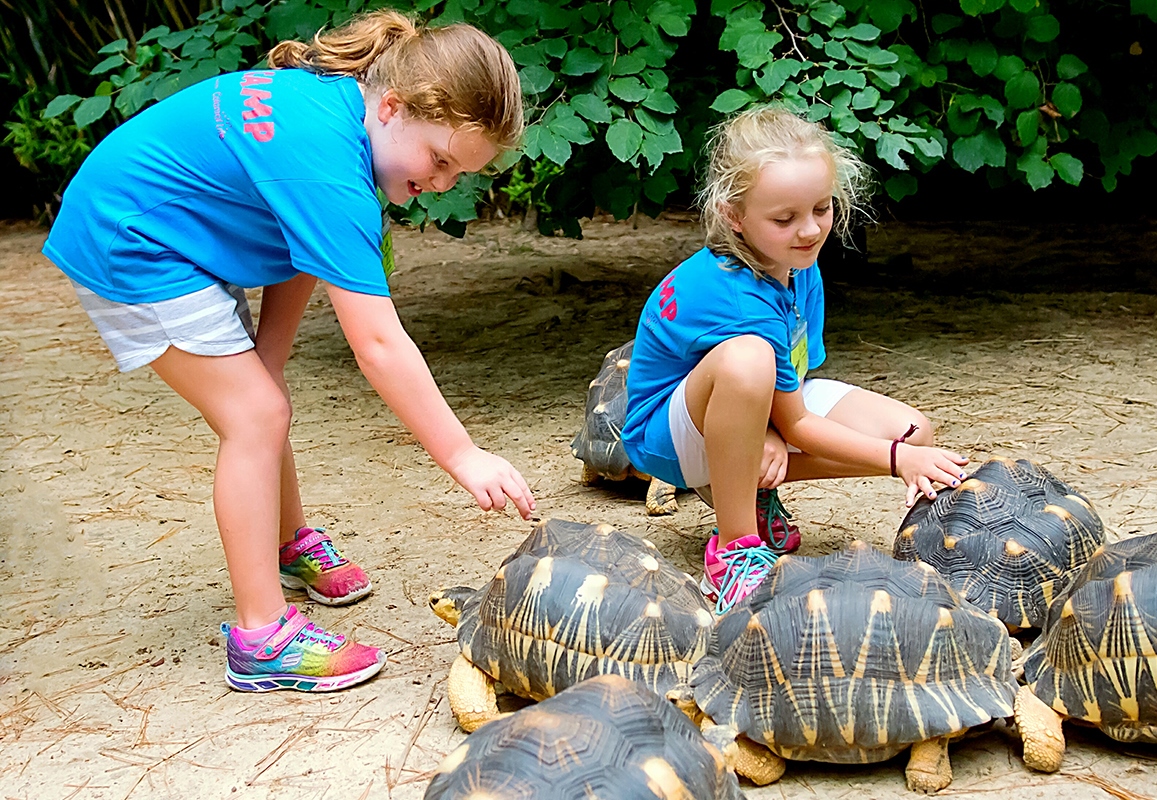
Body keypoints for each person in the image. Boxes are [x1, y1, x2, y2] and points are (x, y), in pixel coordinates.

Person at [41, 11, 536, 692]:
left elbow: (299, 248)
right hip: (132, 237)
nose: (444, 183)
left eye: (460, 173)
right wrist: (462, 454)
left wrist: (267, 358)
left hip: (163, 227)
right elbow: (379, 344)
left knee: (262, 401)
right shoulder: (329, 165)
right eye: (441, 160)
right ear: (392, 107)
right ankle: (261, 638)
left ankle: (285, 540)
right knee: (256, 418)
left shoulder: (341, 110)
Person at [621, 105, 970, 612]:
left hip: (750, 402)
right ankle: (735, 551)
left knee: (914, 433)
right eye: (784, 218)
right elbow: (789, 409)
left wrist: (776, 431)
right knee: (749, 359)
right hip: (669, 436)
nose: (809, 230)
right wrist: (897, 463)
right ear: (733, 216)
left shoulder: (797, 264)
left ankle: (748, 488)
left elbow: (800, 377)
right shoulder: (739, 295)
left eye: (822, 209)